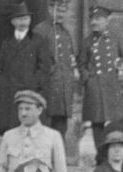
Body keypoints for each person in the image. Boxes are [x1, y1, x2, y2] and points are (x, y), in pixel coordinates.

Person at [0, 90, 67, 172]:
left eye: (28, 109)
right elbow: (1, 170)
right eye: (20, 109)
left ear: (39, 110)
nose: (23, 113)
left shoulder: (53, 136)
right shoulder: (9, 136)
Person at [78, 3, 123, 148]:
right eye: (92, 19)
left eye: (98, 19)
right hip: (95, 88)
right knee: (97, 123)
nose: (94, 22)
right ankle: (100, 154)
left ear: (107, 20)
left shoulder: (116, 39)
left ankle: (116, 150)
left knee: (116, 122)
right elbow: (81, 64)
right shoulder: (87, 41)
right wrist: (88, 80)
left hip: (112, 87)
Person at [0, 2, 51, 132]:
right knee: (12, 130)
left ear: (30, 20)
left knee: (29, 129)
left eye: (25, 19)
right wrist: (3, 87)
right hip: (10, 96)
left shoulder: (38, 41)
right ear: (13, 21)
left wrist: (32, 86)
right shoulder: (7, 43)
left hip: (30, 93)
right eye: (19, 19)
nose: (23, 22)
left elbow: (44, 68)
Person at [33, 0, 77, 139]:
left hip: (63, 93)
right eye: (58, 10)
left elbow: (70, 61)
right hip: (47, 90)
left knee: (59, 133)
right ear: (49, 8)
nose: (60, 15)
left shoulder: (65, 33)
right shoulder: (40, 30)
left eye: (63, 11)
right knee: (44, 132)